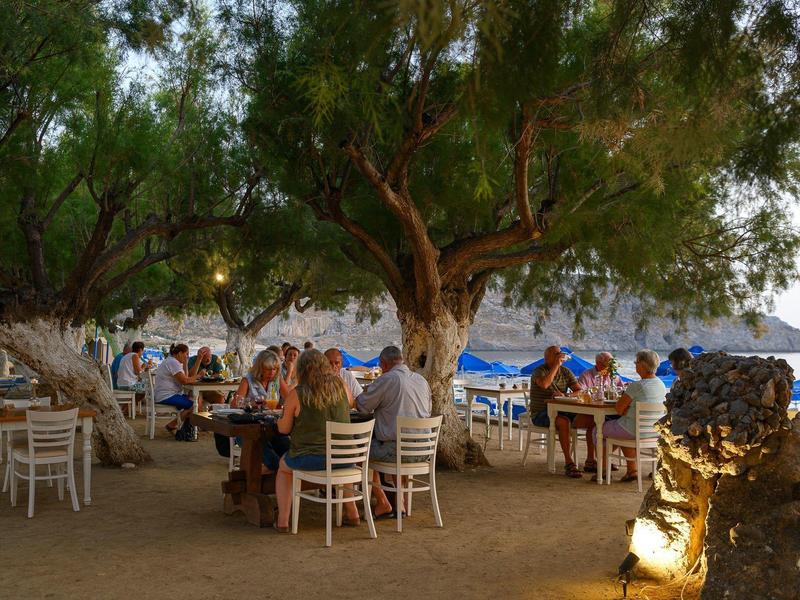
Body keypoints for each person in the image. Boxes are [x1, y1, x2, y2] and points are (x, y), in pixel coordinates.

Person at [273, 349, 359, 532]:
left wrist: (280, 420)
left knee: (284, 467)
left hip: (312, 457)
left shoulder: (297, 393)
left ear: (302, 369)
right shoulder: (342, 386)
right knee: (338, 460)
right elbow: (351, 404)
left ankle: (283, 520)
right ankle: (352, 513)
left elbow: (284, 429)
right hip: (346, 457)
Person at [356, 345, 431, 517]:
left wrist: (368, 392)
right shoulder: (421, 380)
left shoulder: (387, 379)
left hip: (397, 451)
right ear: (401, 360)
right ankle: (400, 502)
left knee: (358, 451)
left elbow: (362, 406)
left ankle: (383, 502)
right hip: (424, 451)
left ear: (383, 364)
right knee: (394, 441)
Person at [595, 349, 666, 482]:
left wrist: (627, 409)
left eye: (636, 362)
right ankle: (631, 470)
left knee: (597, 430)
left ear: (643, 365)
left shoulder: (637, 386)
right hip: (653, 432)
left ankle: (603, 470)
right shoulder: (661, 385)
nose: (635, 364)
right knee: (622, 430)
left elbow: (618, 409)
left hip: (632, 430)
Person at [529, 345, 594, 478]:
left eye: (560, 353)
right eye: (556, 354)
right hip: (541, 413)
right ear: (547, 358)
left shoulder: (566, 372)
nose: (560, 356)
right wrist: (556, 366)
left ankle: (590, 461)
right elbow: (545, 384)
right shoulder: (538, 371)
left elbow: (579, 390)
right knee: (563, 422)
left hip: (563, 409)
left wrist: (567, 395)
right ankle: (569, 463)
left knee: (592, 420)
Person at [232, 349, 290, 472]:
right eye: (268, 369)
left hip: (271, 427)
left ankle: (279, 475)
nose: (272, 372)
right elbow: (235, 405)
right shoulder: (248, 380)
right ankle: (275, 474)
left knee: (288, 449)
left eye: (275, 369)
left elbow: (290, 399)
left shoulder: (277, 380)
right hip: (249, 428)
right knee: (271, 458)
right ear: (260, 368)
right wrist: (252, 404)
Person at [154, 343, 207, 432]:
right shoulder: (173, 362)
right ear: (179, 353)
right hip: (167, 396)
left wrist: (186, 363)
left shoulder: (171, 361)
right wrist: (198, 376)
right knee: (194, 404)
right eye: (186, 354)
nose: (187, 356)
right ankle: (178, 425)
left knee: (196, 400)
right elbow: (185, 381)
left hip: (166, 394)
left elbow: (186, 377)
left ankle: (186, 426)